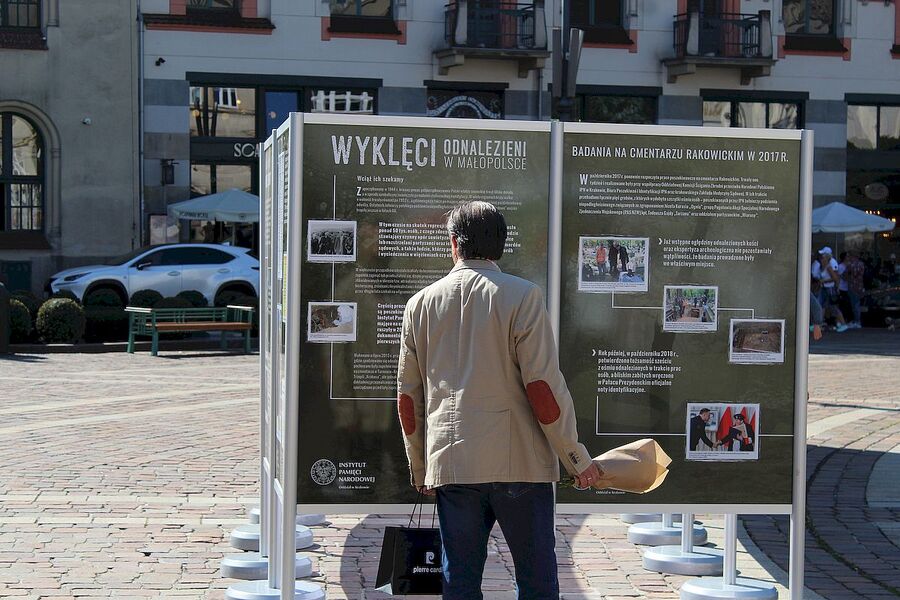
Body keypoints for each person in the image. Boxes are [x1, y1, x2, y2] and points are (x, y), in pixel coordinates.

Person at [397, 201, 601, 600]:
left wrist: (420, 467)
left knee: (459, 582)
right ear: (501, 246)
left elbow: (408, 399)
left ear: (454, 244)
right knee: (537, 579)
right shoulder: (523, 296)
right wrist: (575, 457)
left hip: (453, 463)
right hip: (521, 464)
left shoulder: (419, 305)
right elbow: (542, 388)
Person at [811, 247, 848, 332]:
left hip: (830, 289)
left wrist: (824, 281)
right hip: (825, 288)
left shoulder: (829, 266)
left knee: (832, 307)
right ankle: (818, 325)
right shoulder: (824, 265)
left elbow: (835, 278)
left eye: (823, 256)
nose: (821, 257)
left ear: (827, 256)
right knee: (821, 306)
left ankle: (843, 324)